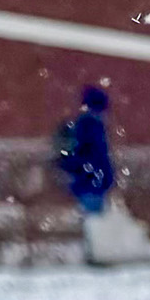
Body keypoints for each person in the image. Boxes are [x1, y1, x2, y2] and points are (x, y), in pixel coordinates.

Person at [55, 84, 116, 215]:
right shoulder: (91, 126)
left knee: (92, 219)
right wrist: (104, 177)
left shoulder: (85, 125)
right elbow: (95, 155)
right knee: (94, 220)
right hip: (91, 182)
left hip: (87, 181)